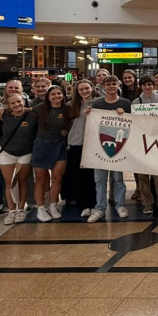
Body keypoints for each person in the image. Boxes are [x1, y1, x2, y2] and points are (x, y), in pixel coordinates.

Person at [86, 76, 132, 222]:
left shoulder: (125, 103)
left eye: (114, 84)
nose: (111, 87)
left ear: (118, 85)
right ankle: (100, 208)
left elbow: (133, 123)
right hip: (100, 146)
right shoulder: (97, 104)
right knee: (100, 180)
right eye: (108, 84)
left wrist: (125, 114)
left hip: (118, 145)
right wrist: (89, 114)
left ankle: (120, 205)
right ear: (103, 87)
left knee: (118, 178)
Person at [130, 76, 158, 215]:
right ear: (141, 87)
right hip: (141, 143)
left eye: (149, 84)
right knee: (143, 177)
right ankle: (147, 203)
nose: (147, 87)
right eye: (144, 85)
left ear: (153, 85)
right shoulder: (136, 103)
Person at [0, 93, 38, 224]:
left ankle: (20, 209)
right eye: (13, 103)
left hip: (25, 152)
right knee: (9, 183)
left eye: (19, 101)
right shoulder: (4, 115)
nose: (16, 104)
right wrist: (2, 109)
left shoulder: (32, 115)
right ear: (8, 105)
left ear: (24, 101)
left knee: (22, 181)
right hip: (7, 152)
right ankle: (11, 211)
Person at [31, 86, 69, 222]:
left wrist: (67, 130)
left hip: (60, 145)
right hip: (42, 144)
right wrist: (3, 109)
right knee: (40, 179)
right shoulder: (39, 109)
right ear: (48, 96)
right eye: (53, 94)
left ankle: (53, 205)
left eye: (59, 93)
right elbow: (23, 111)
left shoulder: (68, 109)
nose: (56, 96)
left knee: (57, 177)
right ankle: (41, 208)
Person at [64, 79, 98, 217]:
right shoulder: (72, 105)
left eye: (86, 88)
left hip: (93, 144)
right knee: (78, 176)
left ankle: (94, 203)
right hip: (75, 143)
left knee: (92, 177)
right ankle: (83, 204)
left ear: (92, 88)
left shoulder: (99, 103)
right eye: (81, 89)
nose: (84, 91)